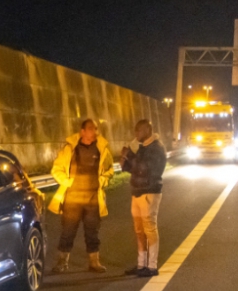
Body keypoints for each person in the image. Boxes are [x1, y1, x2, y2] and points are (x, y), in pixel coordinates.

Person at [48, 118, 114, 273]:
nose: (95, 131)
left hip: (93, 197)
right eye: (91, 128)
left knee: (92, 231)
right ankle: (62, 262)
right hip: (72, 197)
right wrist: (67, 182)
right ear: (82, 131)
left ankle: (94, 262)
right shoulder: (70, 148)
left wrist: (102, 181)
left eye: (96, 128)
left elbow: (110, 170)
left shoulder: (102, 148)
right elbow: (56, 169)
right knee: (68, 231)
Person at [120, 119, 167, 277]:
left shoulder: (156, 148)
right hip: (137, 191)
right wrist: (124, 161)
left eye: (139, 131)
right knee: (139, 229)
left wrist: (130, 156)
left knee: (149, 228)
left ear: (147, 130)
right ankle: (141, 264)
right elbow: (133, 168)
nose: (136, 134)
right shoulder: (143, 147)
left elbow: (144, 168)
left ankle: (152, 266)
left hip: (149, 192)